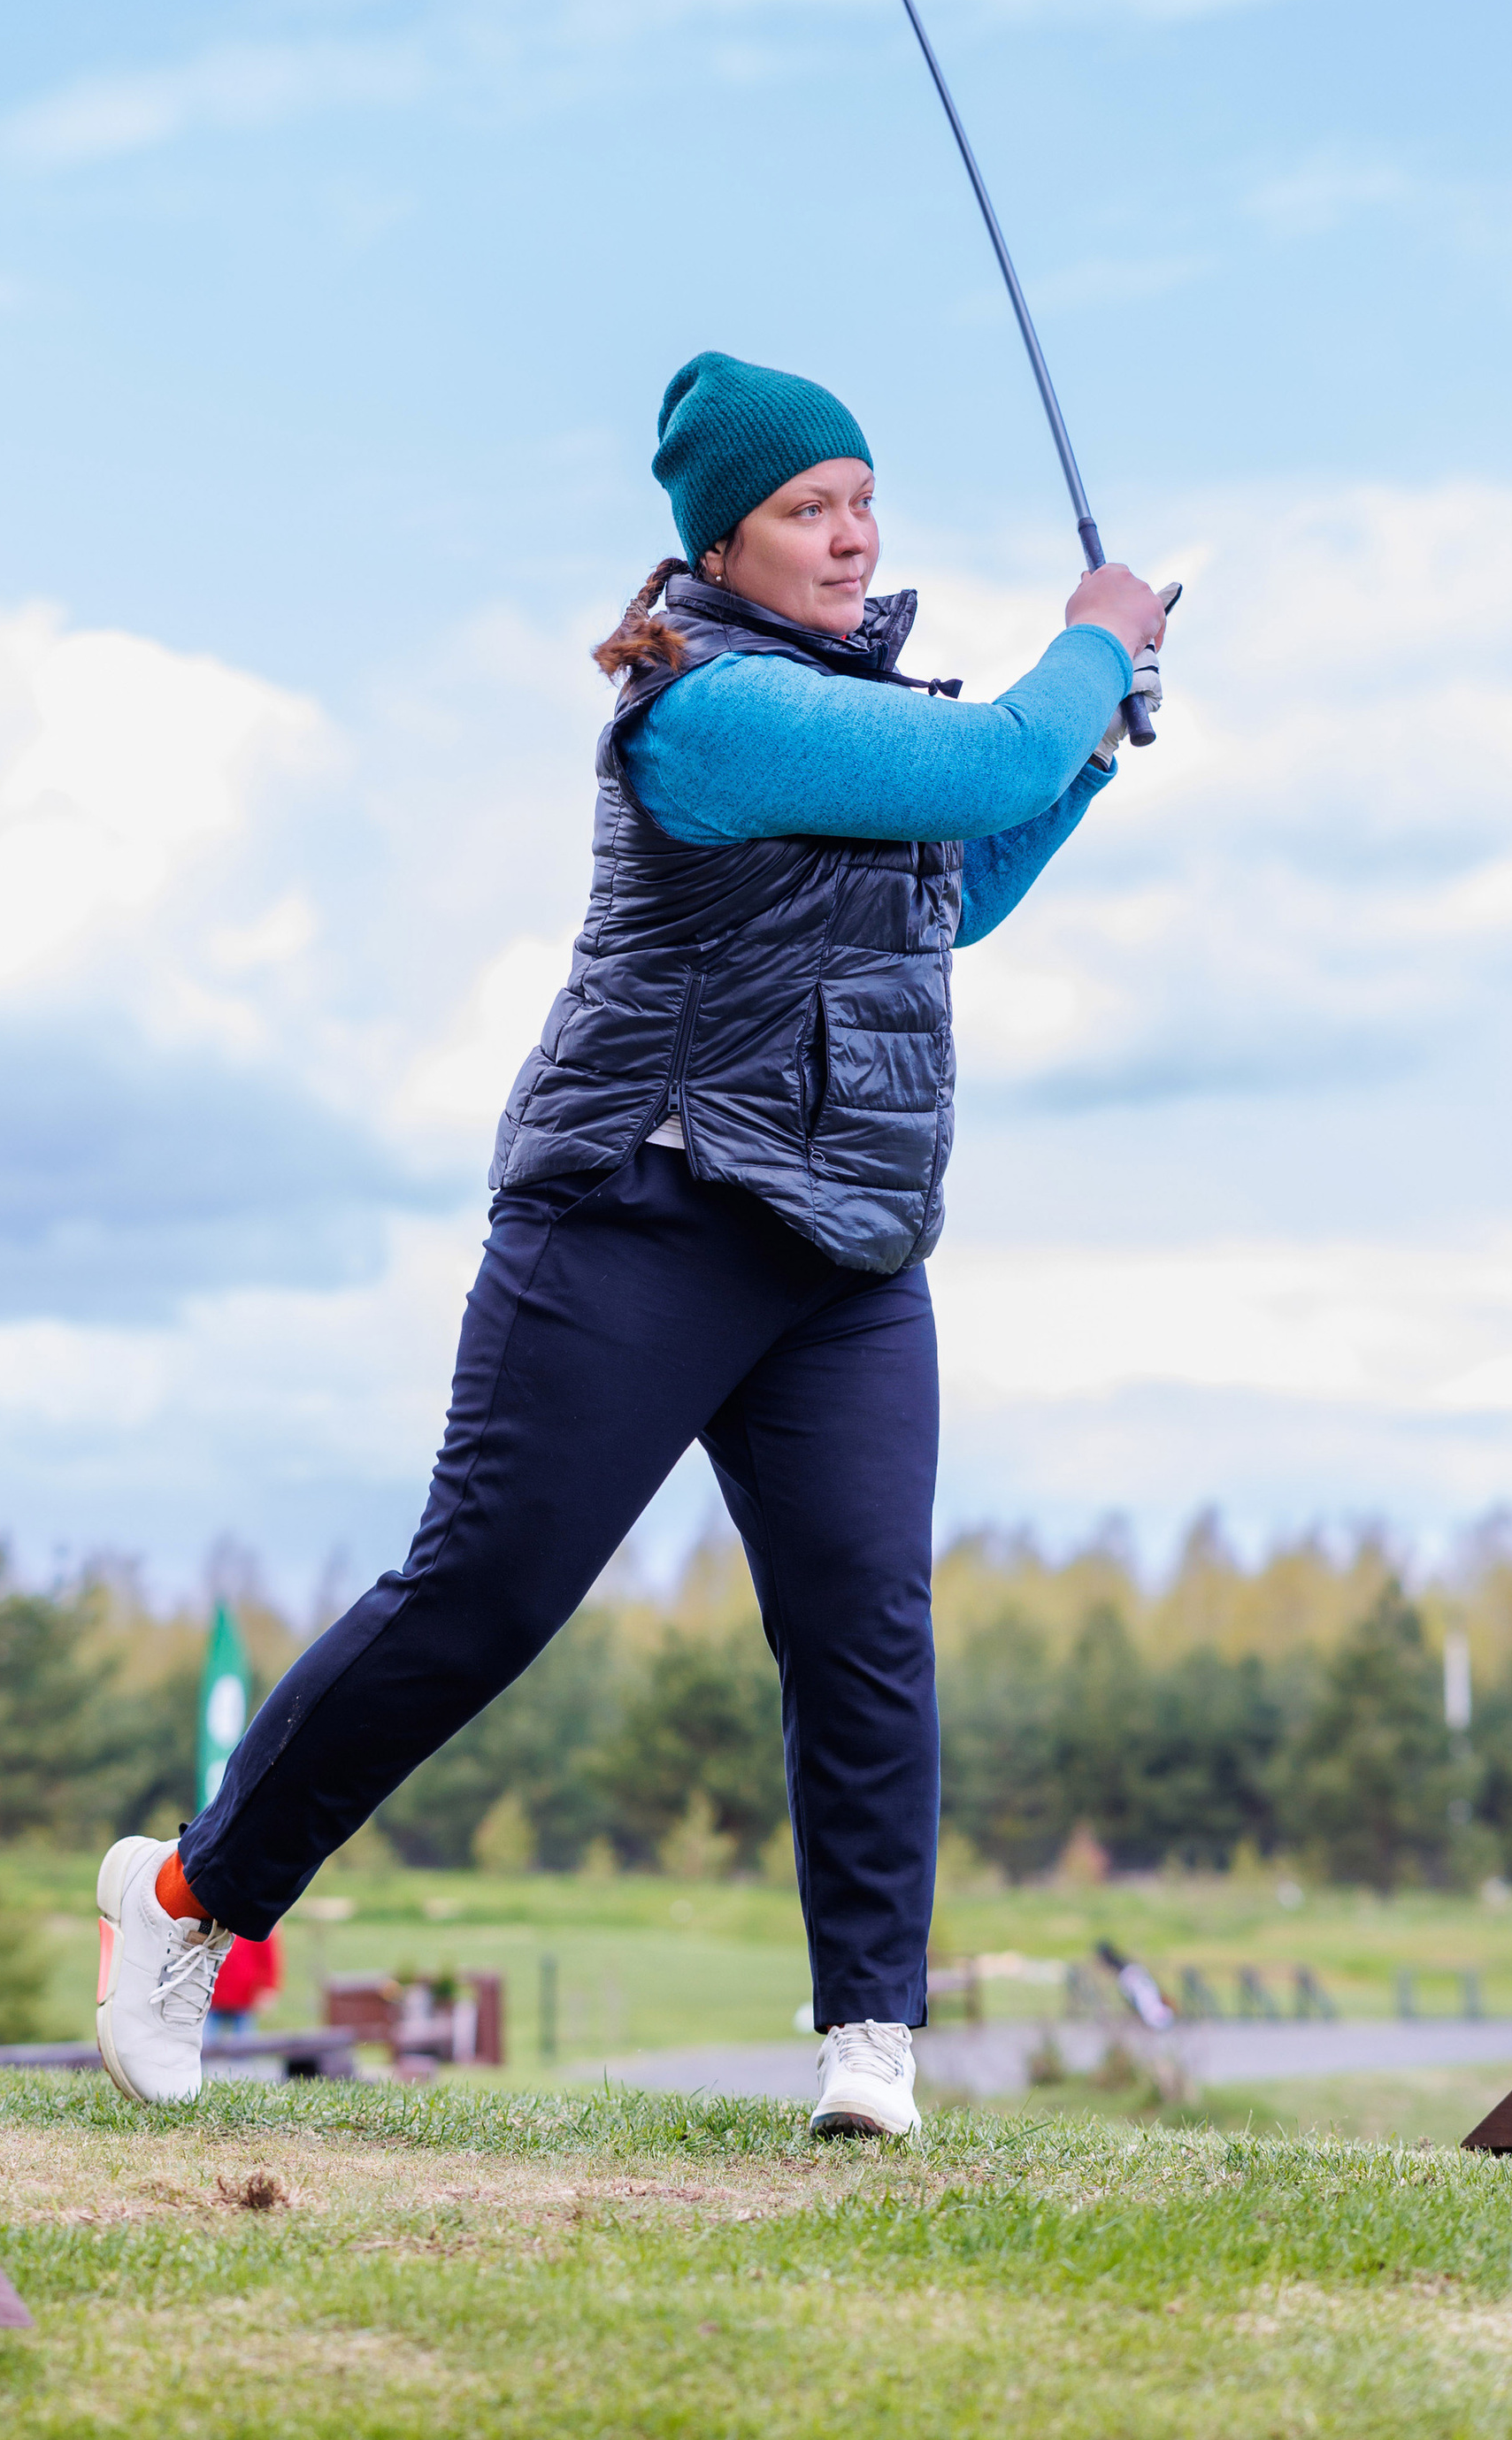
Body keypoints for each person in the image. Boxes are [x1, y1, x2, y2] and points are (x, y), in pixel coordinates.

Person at [94, 350, 1167, 2137]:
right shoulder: (705, 710)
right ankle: (186, 1899)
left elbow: (950, 888)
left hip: (840, 1245)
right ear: (720, 544)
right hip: (641, 1212)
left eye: (860, 501)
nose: (849, 536)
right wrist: (1095, 638)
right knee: (484, 1595)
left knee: (861, 1628)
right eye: (807, 511)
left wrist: (1100, 749)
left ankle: (866, 2048)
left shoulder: (848, 707)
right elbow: (985, 761)